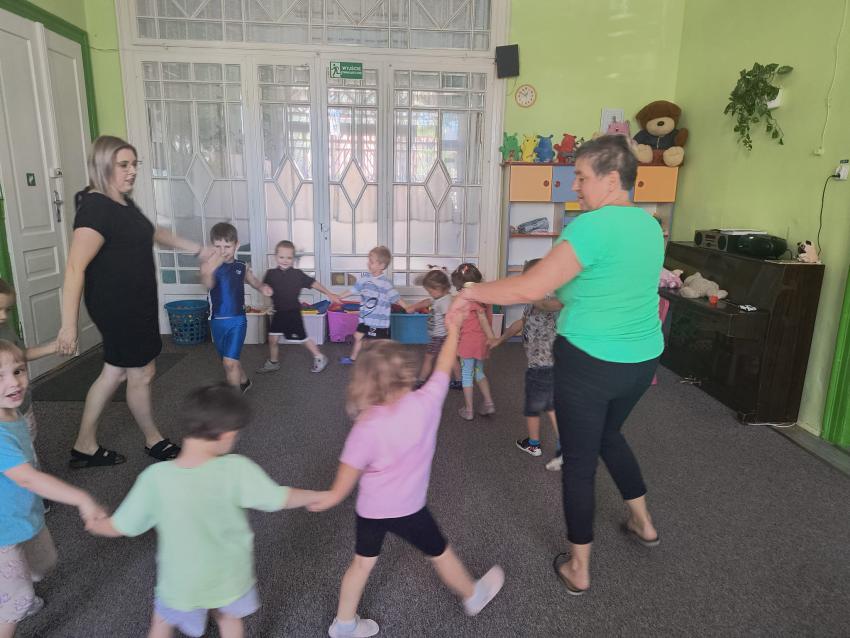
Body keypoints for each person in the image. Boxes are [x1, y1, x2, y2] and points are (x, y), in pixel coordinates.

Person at [450, 135, 663, 594]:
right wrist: (552, 294)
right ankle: (643, 522)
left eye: (582, 178)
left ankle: (578, 569)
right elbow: (599, 286)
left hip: (591, 362)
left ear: (611, 179)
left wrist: (470, 292)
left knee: (580, 462)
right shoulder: (649, 226)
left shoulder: (592, 227)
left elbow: (529, 288)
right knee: (610, 435)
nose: (575, 187)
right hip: (642, 361)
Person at [309, 316, 504, 638]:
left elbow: (340, 488)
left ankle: (344, 624)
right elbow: (443, 366)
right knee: (440, 552)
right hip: (409, 509)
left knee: (361, 563)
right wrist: (453, 330)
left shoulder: (364, 427)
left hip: (371, 510)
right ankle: (473, 595)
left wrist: (325, 499)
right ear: (406, 375)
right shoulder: (426, 402)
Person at [86, 385, 321, 638]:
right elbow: (279, 498)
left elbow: (121, 526)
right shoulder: (237, 469)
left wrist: (96, 524)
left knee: (161, 623)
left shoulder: (155, 478)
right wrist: (316, 496)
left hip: (180, 584)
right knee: (229, 619)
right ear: (227, 436)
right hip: (230, 579)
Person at [58, 135, 215, 469]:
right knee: (141, 371)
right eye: (123, 165)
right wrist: (68, 326)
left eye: (134, 164)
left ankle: (84, 444)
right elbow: (74, 268)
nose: (132, 171)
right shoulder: (96, 209)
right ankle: (152, 439)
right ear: (103, 166)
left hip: (135, 303)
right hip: (119, 308)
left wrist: (198, 249)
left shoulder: (121, 202)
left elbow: (152, 232)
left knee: (115, 372)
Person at [0, 340, 105, 637]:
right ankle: (12, 602)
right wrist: (81, 498)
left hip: (24, 512)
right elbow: (28, 478)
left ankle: (13, 590)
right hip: (3, 532)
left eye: (18, 371)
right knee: (16, 602)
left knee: (44, 563)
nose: (14, 382)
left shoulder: (12, 413)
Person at [489, 259, 564, 470]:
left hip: (543, 365)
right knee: (550, 405)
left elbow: (547, 305)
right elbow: (520, 323)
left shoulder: (551, 300)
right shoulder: (533, 301)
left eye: (528, 278)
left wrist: (530, 293)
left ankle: (533, 444)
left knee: (533, 407)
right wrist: (501, 339)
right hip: (540, 364)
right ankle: (564, 445)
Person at [200, 223, 269, 393]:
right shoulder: (209, 266)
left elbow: (253, 281)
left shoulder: (241, 266)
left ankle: (234, 403)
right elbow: (207, 284)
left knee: (229, 362)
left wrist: (262, 287)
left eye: (227, 246)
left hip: (237, 320)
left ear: (236, 245)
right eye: (218, 246)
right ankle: (244, 381)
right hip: (216, 321)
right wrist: (207, 271)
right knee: (228, 360)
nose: (222, 251)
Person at [256, 240, 340, 375]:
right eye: (281, 257)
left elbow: (314, 284)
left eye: (289, 258)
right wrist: (264, 289)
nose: (285, 260)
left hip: (293, 313)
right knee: (272, 338)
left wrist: (329, 293)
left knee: (303, 338)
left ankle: (320, 357)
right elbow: (263, 287)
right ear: (276, 257)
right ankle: (273, 362)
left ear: (293, 259)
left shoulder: (297, 274)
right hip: (279, 313)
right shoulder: (270, 273)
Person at [0, 279, 60, 458]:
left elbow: (21, 355)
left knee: (27, 442)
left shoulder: (6, 329)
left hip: (21, 403)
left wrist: (53, 347)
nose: (4, 316)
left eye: (7, 310)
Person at [336, 246, 409, 365]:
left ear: (382, 265)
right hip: (365, 319)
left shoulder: (386, 283)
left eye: (371, 261)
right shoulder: (364, 279)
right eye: (368, 260)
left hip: (378, 321)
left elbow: (396, 297)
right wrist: (339, 296)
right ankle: (353, 359)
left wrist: (407, 307)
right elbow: (353, 290)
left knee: (378, 344)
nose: (368, 263)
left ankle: (388, 361)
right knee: (358, 336)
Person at [450, 264, 496, 421]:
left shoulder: (465, 299)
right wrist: (490, 337)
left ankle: (469, 410)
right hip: (481, 342)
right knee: (479, 371)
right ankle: (489, 402)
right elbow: (486, 318)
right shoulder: (485, 298)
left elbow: (479, 319)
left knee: (466, 374)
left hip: (468, 343)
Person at [405, 269, 461, 389]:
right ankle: (459, 381)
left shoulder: (445, 302)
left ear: (440, 288)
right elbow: (427, 302)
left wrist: (451, 338)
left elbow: (449, 320)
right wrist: (413, 307)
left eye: (431, 291)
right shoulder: (439, 298)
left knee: (429, 357)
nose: (430, 294)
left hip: (440, 337)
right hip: (439, 336)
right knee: (452, 359)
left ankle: (421, 380)